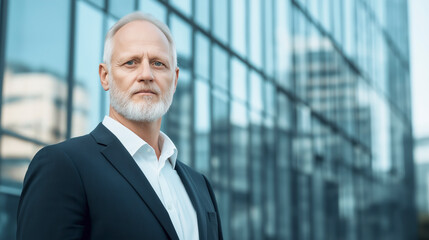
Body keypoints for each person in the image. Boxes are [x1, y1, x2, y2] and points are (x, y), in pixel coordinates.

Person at [17, 12, 223, 240]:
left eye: (158, 63)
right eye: (131, 63)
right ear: (105, 76)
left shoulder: (200, 185)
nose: (146, 74)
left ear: (174, 80)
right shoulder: (63, 167)